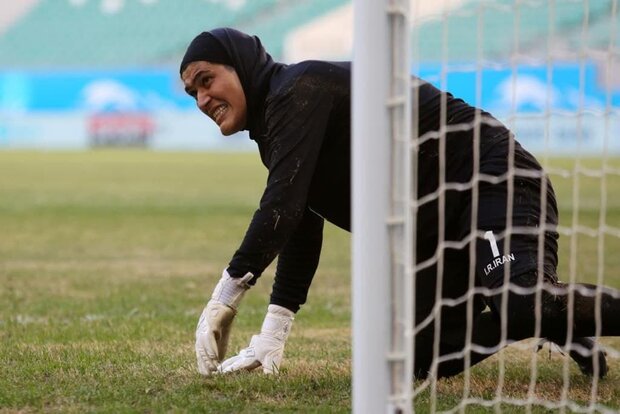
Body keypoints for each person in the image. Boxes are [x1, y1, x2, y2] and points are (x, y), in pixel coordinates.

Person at [180, 27, 618, 379]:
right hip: (438, 232)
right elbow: (301, 223)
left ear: (239, 63)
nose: (202, 99)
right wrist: (272, 335)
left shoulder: (298, 88)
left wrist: (225, 296)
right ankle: (553, 320)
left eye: (207, 80)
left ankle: (541, 313)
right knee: (416, 359)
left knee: (522, 299)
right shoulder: (278, 125)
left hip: (492, 180)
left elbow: (284, 204)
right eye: (192, 92)